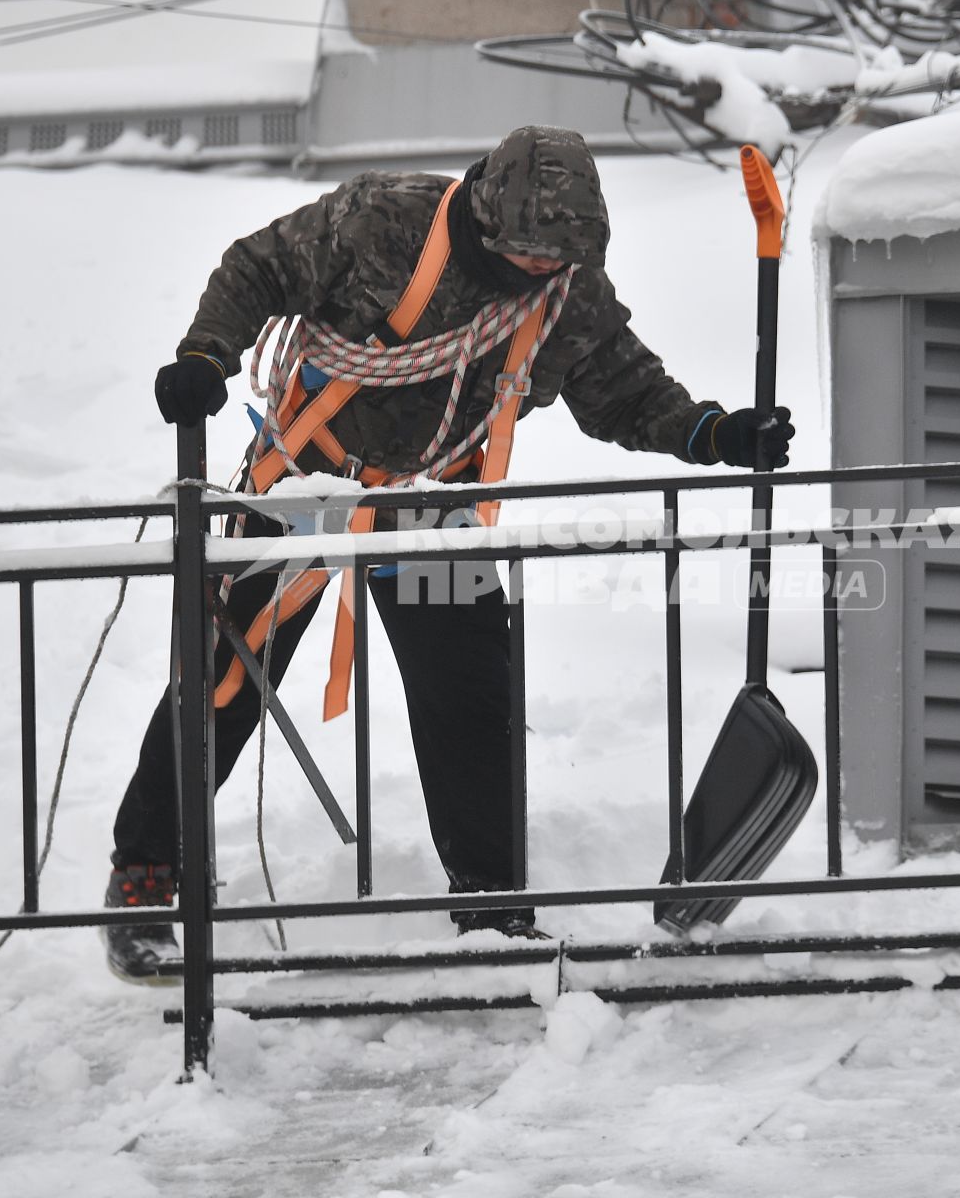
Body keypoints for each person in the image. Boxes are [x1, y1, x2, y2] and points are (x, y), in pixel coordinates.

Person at [104, 125, 794, 981]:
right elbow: (258, 268)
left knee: (470, 701)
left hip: (434, 505)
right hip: (305, 485)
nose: (548, 272)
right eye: (534, 255)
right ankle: (145, 877)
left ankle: (492, 908)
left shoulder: (567, 285)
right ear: (490, 222)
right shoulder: (382, 223)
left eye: (563, 259)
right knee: (224, 679)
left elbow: (622, 387)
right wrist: (207, 354)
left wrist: (710, 431)